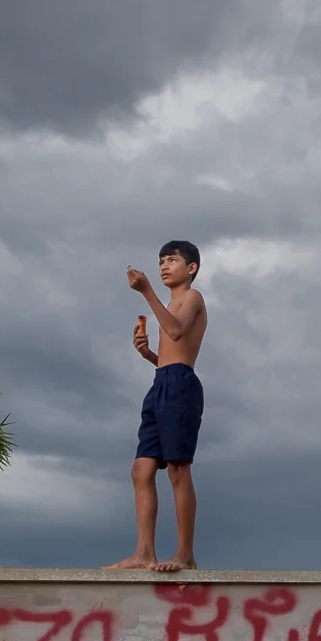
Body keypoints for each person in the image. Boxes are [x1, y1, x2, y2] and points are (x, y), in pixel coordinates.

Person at [106, 241, 207, 573]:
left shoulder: (191, 298)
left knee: (178, 470)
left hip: (181, 385)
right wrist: (148, 354)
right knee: (141, 471)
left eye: (172, 260)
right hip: (161, 382)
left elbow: (177, 333)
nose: (164, 266)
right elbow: (167, 355)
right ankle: (144, 552)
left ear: (190, 268)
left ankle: (185, 553)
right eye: (161, 261)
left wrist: (146, 291)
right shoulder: (169, 304)